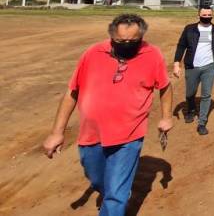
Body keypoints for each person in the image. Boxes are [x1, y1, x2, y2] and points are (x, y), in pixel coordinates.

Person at [42, 14, 173, 216]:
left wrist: (166, 117)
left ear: (142, 37)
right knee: (98, 179)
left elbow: (164, 87)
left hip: (129, 135)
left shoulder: (152, 54)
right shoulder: (93, 53)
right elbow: (72, 92)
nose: (127, 45)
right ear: (112, 35)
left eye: (133, 41)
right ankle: (114, 191)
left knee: (115, 195)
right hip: (91, 135)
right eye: (121, 41)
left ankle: (117, 197)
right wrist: (57, 132)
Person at [172, 5, 214, 135]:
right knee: (190, 93)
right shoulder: (190, 29)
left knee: (206, 95)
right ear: (199, 15)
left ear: (212, 15)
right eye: (204, 15)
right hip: (192, 66)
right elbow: (181, 45)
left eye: (209, 15)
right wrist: (176, 63)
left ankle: (202, 122)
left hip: (209, 67)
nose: (206, 17)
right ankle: (190, 110)